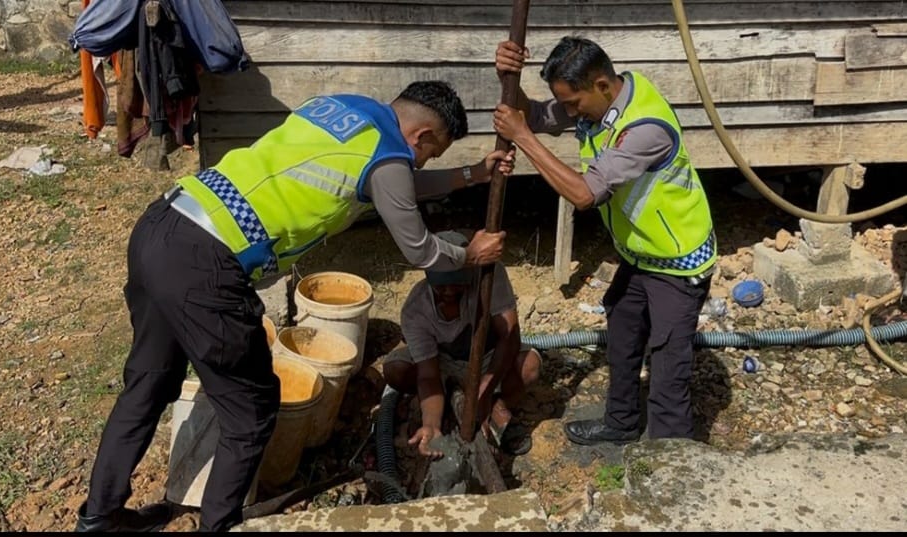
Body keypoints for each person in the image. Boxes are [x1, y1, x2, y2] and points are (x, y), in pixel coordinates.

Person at [75, 81, 516, 532]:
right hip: (205, 264)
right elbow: (420, 250)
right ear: (420, 136)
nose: (425, 162)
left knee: (147, 383)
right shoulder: (388, 159)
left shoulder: (347, 107)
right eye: (432, 153)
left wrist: (469, 175)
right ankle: (219, 526)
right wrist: (469, 254)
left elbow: (397, 184)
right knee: (251, 408)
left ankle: (98, 518)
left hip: (165, 224)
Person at [491, 37, 716, 445]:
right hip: (640, 255)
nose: (569, 111)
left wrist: (523, 138)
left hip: (678, 263)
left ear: (601, 85)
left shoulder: (644, 129)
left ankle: (672, 461)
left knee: (668, 367)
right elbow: (537, 114)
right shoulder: (603, 101)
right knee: (624, 337)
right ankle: (622, 422)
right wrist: (510, 80)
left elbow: (584, 194)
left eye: (573, 103)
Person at [383, 230, 542, 459]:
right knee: (395, 369)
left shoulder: (489, 276)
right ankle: (448, 403)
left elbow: (510, 337)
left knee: (529, 366)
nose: (448, 292)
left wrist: (485, 389)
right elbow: (428, 375)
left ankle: (498, 405)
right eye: (441, 286)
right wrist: (431, 424)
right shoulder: (416, 308)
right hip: (444, 362)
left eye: (457, 285)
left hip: (488, 355)